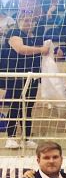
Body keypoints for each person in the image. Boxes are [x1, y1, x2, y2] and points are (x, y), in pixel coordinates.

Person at [0, 13, 47, 150]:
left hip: (31, 76)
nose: (29, 23)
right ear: (19, 21)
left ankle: (26, 138)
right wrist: (41, 50)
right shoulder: (14, 32)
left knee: (27, 108)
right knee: (15, 105)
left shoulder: (35, 38)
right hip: (16, 76)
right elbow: (20, 49)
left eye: (32, 21)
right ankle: (11, 137)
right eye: (26, 20)